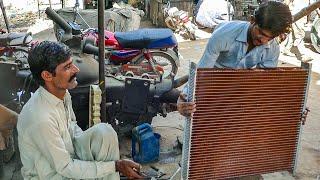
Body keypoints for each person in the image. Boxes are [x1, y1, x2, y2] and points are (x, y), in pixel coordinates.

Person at [17, 41, 143, 179]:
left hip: (67, 157)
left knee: (105, 132)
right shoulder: (41, 118)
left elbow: (72, 128)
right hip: (50, 175)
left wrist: (99, 158)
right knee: (109, 166)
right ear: (47, 75)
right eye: (67, 67)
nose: (76, 70)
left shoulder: (63, 93)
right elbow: (65, 168)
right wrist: (114, 166)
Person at [177, 1, 293, 117]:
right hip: (212, 80)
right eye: (261, 33)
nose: (264, 41)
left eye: (270, 37)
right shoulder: (223, 35)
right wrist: (185, 97)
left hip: (240, 84)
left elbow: (265, 83)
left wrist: (292, 106)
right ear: (252, 20)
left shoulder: (272, 49)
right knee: (201, 115)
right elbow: (203, 70)